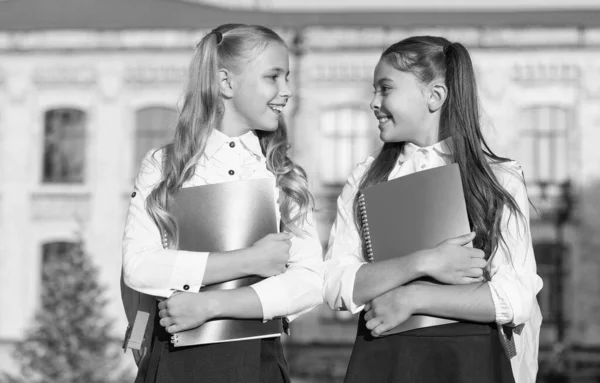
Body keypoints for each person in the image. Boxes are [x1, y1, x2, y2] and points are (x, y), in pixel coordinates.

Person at [322, 36, 542, 383]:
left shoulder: (497, 179)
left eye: (385, 88)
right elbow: (335, 284)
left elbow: (516, 297)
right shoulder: (366, 178)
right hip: (384, 358)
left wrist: (414, 297)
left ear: (435, 95)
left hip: (468, 363)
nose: (373, 102)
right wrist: (424, 262)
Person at [122, 23, 323, 383]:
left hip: (259, 363)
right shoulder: (165, 165)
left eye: (288, 77)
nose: (287, 91)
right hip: (173, 362)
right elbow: (138, 266)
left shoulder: (284, 174)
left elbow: (309, 283)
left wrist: (209, 305)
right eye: (273, 77)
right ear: (226, 83)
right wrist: (247, 261)